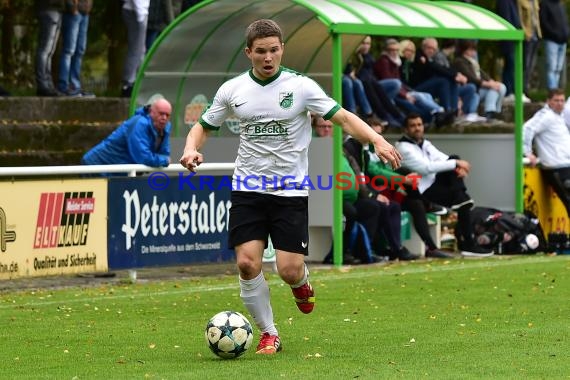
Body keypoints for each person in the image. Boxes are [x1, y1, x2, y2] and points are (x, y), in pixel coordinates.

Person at [179, 19, 401, 355]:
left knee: (288, 268)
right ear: (248, 53)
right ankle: (269, 333)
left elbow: (342, 117)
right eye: (261, 52)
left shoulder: (301, 87)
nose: (268, 58)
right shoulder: (233, 90)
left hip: (290, 191)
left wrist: (377, 140)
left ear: (281, 49)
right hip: (248, 188)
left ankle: (301, 282)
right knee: (247, 263)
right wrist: (190, 148)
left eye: (273, 50)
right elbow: (202, 127)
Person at [395, 113, 494, 257]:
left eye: (419, 125)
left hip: (436, 186)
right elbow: (426, 168)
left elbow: (444, 159)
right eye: (413, 126)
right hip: (421, 192)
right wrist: (456, 164)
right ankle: (467, 242)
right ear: (406, 129)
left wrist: (456, 165)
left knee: (454, 162)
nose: (417, 128)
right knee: (456, 171)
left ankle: (467, 240)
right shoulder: (403, 147)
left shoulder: (425, 144)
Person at [361, 117, 454, 259]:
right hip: (375, 191)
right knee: (404, 174)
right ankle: (394, 248)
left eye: (379, 134)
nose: (376, 137)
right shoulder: (364, 149)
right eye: (374, 134)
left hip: (389, 190)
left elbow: (386, 168)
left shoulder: (377, 148)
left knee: (416, 204)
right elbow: (374, 172)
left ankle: (431, 248)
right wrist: (402, 179)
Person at [342, 138, 419, 262]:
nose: (376, 136)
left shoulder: (364, 150)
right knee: (375, 207)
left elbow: (363, 174)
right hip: (355, 195)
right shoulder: (349, 148)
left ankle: (395, 247)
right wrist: (373, 194)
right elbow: (370, 172)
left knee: (393, 206)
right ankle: (367, 250)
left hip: (365, 191)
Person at [374, 38, 450, 127]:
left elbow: (403, 82)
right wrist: (406, 95)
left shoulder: (396, 62)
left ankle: (438, 112)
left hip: (402, 91)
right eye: (391, 50)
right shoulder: (386, 61)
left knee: (425, 95)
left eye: (396, 50)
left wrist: (407, 92)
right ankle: (440, 112)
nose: (394, 52)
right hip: (393, 94)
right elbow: (393, 83)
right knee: (419, 96)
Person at [82, 95, 172, 169]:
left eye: (167, 115)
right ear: (151, 112)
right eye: (161, 113)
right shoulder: (139, 123)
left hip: (116, 170)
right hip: (97, 165)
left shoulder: (165, 128)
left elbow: (164, 153)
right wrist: (164, 161)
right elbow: (143, 157)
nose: (164, 118)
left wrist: (163, 159)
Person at [523, 88, 570, 218]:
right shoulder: (545, 115)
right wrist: (527, 152)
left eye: (562, 100)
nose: (560, 103)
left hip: (565, 165)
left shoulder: (559, 117)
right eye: (556, 100)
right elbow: (527, 129)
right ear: (548, 101)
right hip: (557, 168)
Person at [432, 39, 485, 123]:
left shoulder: (447, 58)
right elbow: (443, 71)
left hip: (453, 85)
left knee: (474, 93)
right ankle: (456, 112)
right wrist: (456, 76)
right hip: (446, 86)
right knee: (471, 87)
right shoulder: (444, 58)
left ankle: (468, 113)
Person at [453, 40, 507, 122]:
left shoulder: (473, 62)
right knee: (493, 89)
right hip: (473, 88)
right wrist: (488, 84)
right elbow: (471, 78)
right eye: (471, 49)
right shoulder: (460, 61)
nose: (473, 52)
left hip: (480, 88)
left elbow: (482, 74)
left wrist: (491, 82)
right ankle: (490, 111)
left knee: (501, 87)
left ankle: (494, 111)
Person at [57, 0, 94, 97]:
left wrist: (88, 7)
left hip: (85, 12)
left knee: (80, 50)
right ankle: (63, 85)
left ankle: (75, 86)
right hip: (73, 12)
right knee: (69, 50)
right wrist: (72, 7)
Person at [35, 0, 65, 97]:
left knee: (50, 51)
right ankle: (42, 84)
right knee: (44, 50)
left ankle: (48, 84)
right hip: (48, 8)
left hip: (56, 9)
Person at [121, 0, 150, 97]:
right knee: (136, 50)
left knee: (141, 50)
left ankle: (137, 81)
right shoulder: (139, 14)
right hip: (136, 12)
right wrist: (141, 16)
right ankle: (128, 83)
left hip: (139, 12)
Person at [539, 0, 569, 91]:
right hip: (551, 40)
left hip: (563, 41)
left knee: (558, 68)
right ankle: (553, 90)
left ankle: (555, 90)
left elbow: (565, 22)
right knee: (552, 67)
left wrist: (566, 34)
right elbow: (544, 22)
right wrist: (554, 34)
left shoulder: (560, 4)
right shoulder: (545, 4)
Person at [519, 0, 541, 97]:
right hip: (526, 36)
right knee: (525, 65)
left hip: (536, 35)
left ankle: (526, 89)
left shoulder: (535, 1)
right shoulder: (520, 1)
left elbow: (536, 18)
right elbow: (520, 18)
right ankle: (521, 90)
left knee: (531, 66)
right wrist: (524, 33)